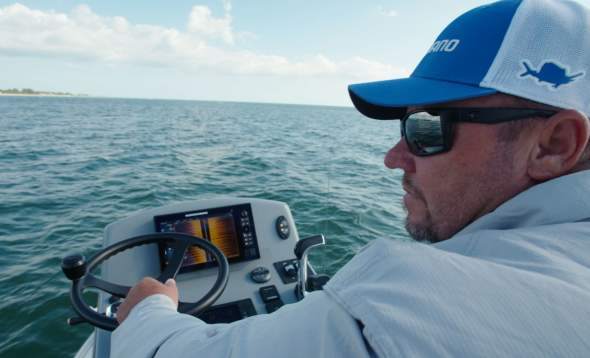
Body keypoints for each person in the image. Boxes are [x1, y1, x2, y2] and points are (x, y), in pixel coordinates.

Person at [112, 0, 590, 356]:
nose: (394, 156)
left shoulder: (404, 302)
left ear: (554, 145)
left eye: (426, 128)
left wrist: (150, 309)